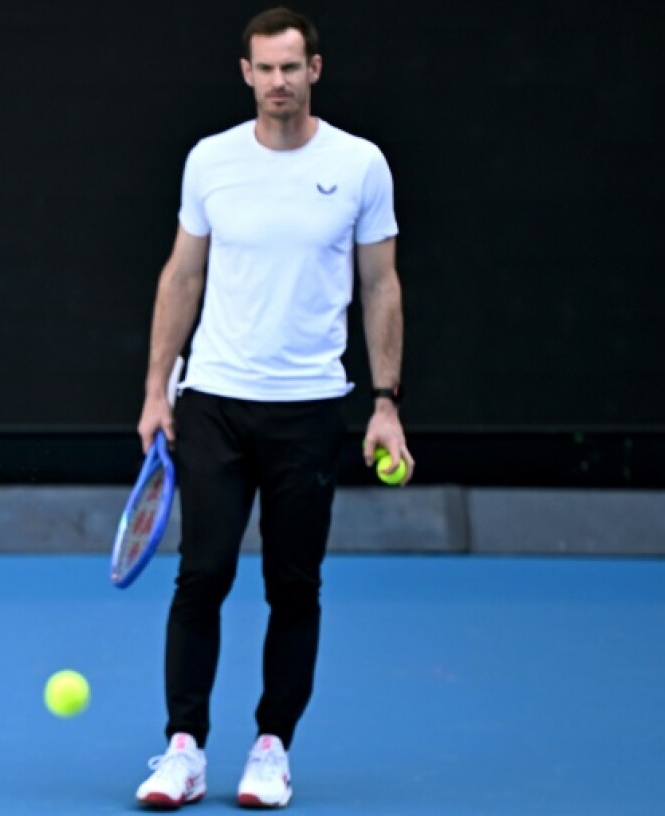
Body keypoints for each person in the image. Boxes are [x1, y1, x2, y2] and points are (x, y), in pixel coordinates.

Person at [133, 7, 413, 809]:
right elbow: (181, 276)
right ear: (247, 73)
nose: (279, 82)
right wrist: (158, 389)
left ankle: (271, 747)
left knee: (295, 586)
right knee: (203, 574)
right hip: (215, 401)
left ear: (314, 71)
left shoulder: (360, 165)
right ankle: (183, 749)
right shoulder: (211, 161)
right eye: (266, 68)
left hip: (311, 408)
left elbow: (380, 285)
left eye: (293, 67)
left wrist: (386, 403)